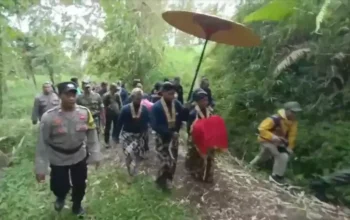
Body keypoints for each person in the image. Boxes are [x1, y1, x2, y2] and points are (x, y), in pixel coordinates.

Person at [35, 82, 102, 216]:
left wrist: (96, 155)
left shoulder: (85, 112)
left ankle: (77, 205)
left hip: (79, 155)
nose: (71, 98)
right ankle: (60, 196)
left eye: (73, 94)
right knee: (59, 185)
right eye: (68, 95)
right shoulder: (49, 117)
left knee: (80, 184)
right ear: (60, 96)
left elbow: (92, 135)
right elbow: (42, 144)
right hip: (58, 157)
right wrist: (40, 168)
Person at [249, 101, 302, 185]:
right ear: (287, 111)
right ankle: (275, 177)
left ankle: (252, 166)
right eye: (293, 112)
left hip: (278, 143)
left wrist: (290, 147)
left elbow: (292, 136)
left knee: (266, 156)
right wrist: (273, 137)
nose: (294, 114)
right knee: (279, 155)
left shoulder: (293, 123)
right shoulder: (275, 118)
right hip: (266, 140)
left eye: (296, 112)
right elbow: (261, 129)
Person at [151, 82, 189, 190]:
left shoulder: (176, 104)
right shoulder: (156, 107)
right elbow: (155, 125)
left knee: (173, 160)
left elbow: (183, 117)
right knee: (164, 160)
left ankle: (169, 179)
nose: (172, 96)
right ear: (163, 93)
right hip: (162, 137)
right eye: (169, 94)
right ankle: (161, 181)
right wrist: (169, 132)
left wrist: (187, 109)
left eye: (173, 94)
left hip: (174, 137)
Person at [113, 88, 150, 176]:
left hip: (140, 135)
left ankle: (135, 170)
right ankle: (128, 169)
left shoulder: (144, 109)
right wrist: (115, 136)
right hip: (128, 136)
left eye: (140, 99)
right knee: (128, 154)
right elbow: (119, 123)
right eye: (137, 98)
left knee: (138, 154)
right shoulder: (125, 109)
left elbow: (147, 124)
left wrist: (146, 142)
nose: (139, 100)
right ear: (132, 97)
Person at [185, 89, 215, 182]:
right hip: (197, 138)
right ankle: (195, 171)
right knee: (195, 155)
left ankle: (208, 175)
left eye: (206, 100)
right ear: (197, 101)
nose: (205, 102)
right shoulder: (193, 113)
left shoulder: (209, 112)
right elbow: (189, 128)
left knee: (210, 156)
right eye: (203, 100)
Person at [103, 83, 122, 148]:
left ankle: (115, 138)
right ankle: (107, 141)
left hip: (116, 113)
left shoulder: (117, 95)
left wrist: (120, 111)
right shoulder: (106, 95)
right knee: (108, 127)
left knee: (116, 126)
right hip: (109, 113)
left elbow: (120, 104)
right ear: (111, 88)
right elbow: (104, 105)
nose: (116, 90)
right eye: (115, 89)